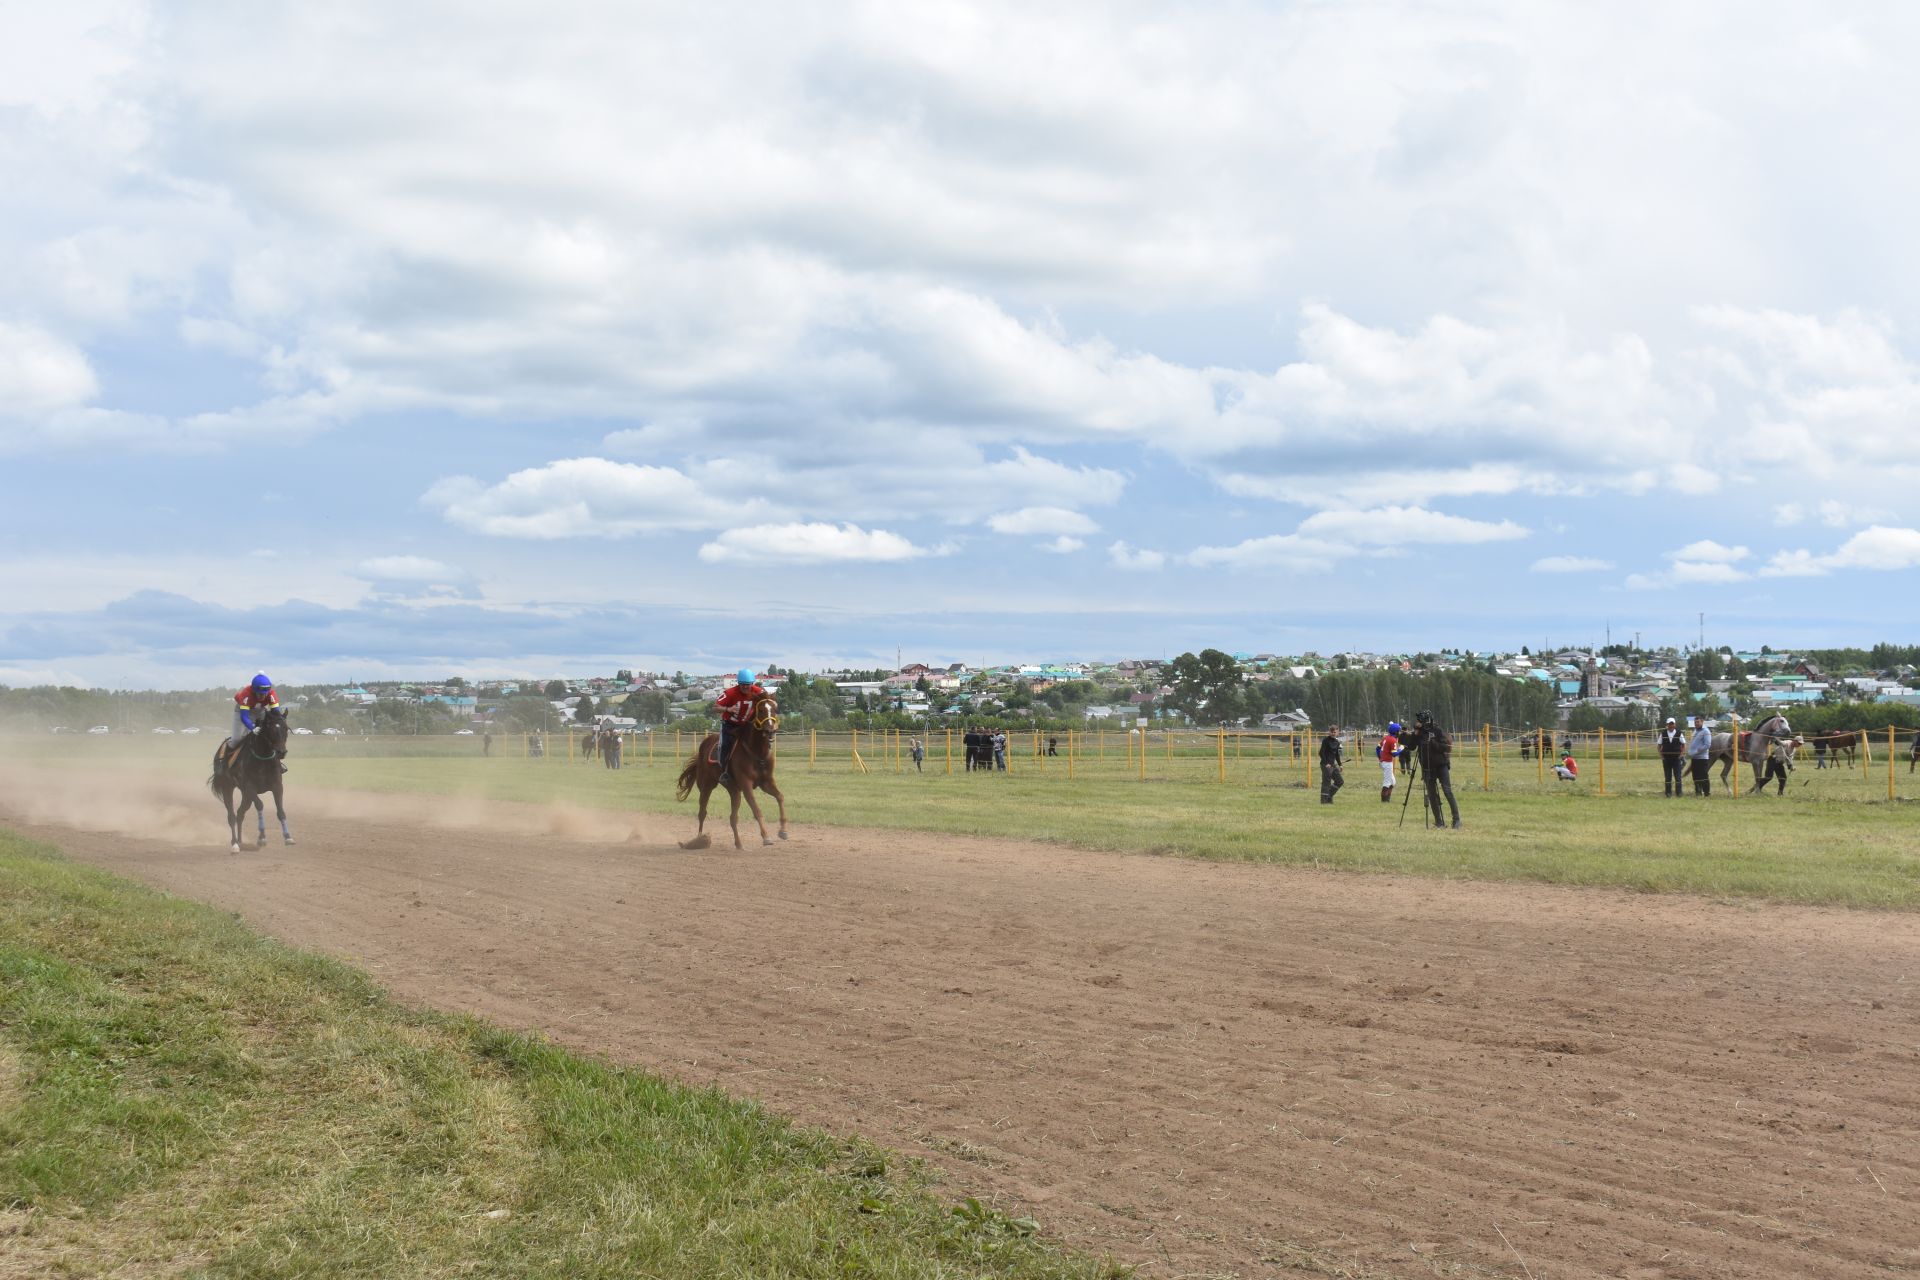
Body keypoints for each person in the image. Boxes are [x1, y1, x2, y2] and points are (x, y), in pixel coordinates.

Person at [1400, 710, 1460, 828]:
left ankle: (1456, 820)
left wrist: (1432, 742)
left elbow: (1445, 748)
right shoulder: (1419, 733)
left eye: (1419, 721)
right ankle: (1439, 822)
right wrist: (1415, 734)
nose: (1418, 723)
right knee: (1432, 794)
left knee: (1447, 791)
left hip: (1441, 765)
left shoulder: (1437, 730)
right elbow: (1412, 747)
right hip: (1427, 768)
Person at [713, 667, 765, 784]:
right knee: (725, 745)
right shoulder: (730, 693)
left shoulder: (758, 691)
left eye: (748, 684)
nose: (745, 687)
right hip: (729, 726)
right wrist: (728, 709)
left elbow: (767, 700)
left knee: (761, 740)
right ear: (738, 683)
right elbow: (715, 707)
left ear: (752, 683)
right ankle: (724, 772)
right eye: (742, 684)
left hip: (746, 726)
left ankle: (762, 767)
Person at [226, 672, 285, 772]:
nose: (262, 696)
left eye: (265, 694)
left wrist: (279, 721)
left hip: (260, 711)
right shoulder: (246, 694)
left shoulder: (271, 694)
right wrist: (252, 728)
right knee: (237, 739)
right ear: (254, 690)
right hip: (242, 711)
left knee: (268, 737)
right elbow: (244, 717)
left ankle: (277, 764)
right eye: (260, 694)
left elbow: (276, 712)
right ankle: (225, 763)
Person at [1656, 716, 1686, 797]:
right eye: (1669, 724)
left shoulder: (1679, 733)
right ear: (1667, 725)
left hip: (1677, 759)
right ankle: (1668, 793)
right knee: (1668, 777)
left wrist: (1681, 755)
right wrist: (1661, 756)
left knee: (1678, 777)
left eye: (1672, 724)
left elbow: (1683, 745)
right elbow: (1659, 746)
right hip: (1666, 759)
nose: (1671, 725)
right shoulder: (1663, 733)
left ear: (1675, 724)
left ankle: (1679, 793)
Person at [1687, 714, 1714, 796]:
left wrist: (1697, 751)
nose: (1696, 724)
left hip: (1702, 758)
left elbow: (1707, 745)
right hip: (1694, 757)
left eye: (1698, 722)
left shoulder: (1706, 731)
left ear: (1702, 722)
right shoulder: (1695, 730)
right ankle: (1698, 792)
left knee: (1703, 775)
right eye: (1695, 722)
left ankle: (1706, 792)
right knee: (1695, 775)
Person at [1318, 723, 1345, 804]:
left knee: (1340, 781)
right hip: (1325, 765)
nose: (1333, 733)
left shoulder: (1337, 742)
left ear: (1337, 732)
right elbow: (1321, 753)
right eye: (1332, 732)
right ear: (1329, 732)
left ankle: (1329, 796)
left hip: (1333, 765)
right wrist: (1326, 763)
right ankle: (1324, 801)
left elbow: (1336, 754)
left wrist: (1340, 765)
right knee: (1326, 782)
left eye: (1335, 732)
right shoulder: (1325, 740)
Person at [1376, 721, 1402, 803]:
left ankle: (1387, 799)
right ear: (1396, 731)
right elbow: (1394, 754)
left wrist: (1380, 758)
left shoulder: (1386, 737)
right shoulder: (1393, 740)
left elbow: (1377, 748)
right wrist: (1401, 748)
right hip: (1387, 763)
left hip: (1384, 762)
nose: (1399, 732)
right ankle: (1384, 801)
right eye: (1399, 731)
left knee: (1393, 782)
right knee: (1387, 782)